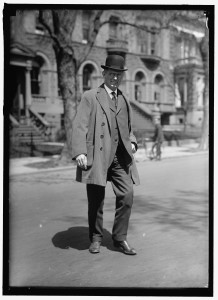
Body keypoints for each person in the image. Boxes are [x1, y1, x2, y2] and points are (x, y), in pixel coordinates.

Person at [72, 54, 140, 255]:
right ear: (104, 74)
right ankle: (96, 238)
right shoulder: (90, 96)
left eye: (118, 75)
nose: (115, 78)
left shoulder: (124, 98)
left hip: (119, 158)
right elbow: (79, 126)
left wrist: (134, 142)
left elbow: (128, 129)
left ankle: (120, 238)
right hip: (98, 156)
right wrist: (80, 152)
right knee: (96, 201)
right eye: (111, 74)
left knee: (127, 195)